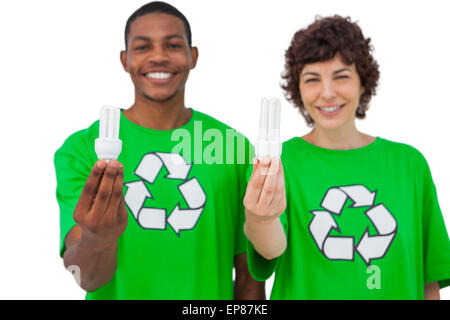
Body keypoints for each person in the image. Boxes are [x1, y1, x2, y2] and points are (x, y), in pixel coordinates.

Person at [54, 1, 264, 300]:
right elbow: (88, 279)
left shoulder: (232, 148)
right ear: (125, 60)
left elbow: (249, 277)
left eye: (173, 45)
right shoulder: (83, 149)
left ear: (193, 56)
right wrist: (96, 237)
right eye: (142, 47)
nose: (158, 57)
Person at [243, 15, 450, 299]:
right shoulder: (278, 163)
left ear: (363, 83)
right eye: (312, 79)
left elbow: (429, 282)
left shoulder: (409, 165)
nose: (327, 93)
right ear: (297, 88)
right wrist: (260, 218)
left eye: (341, 77)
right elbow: (270, 250)